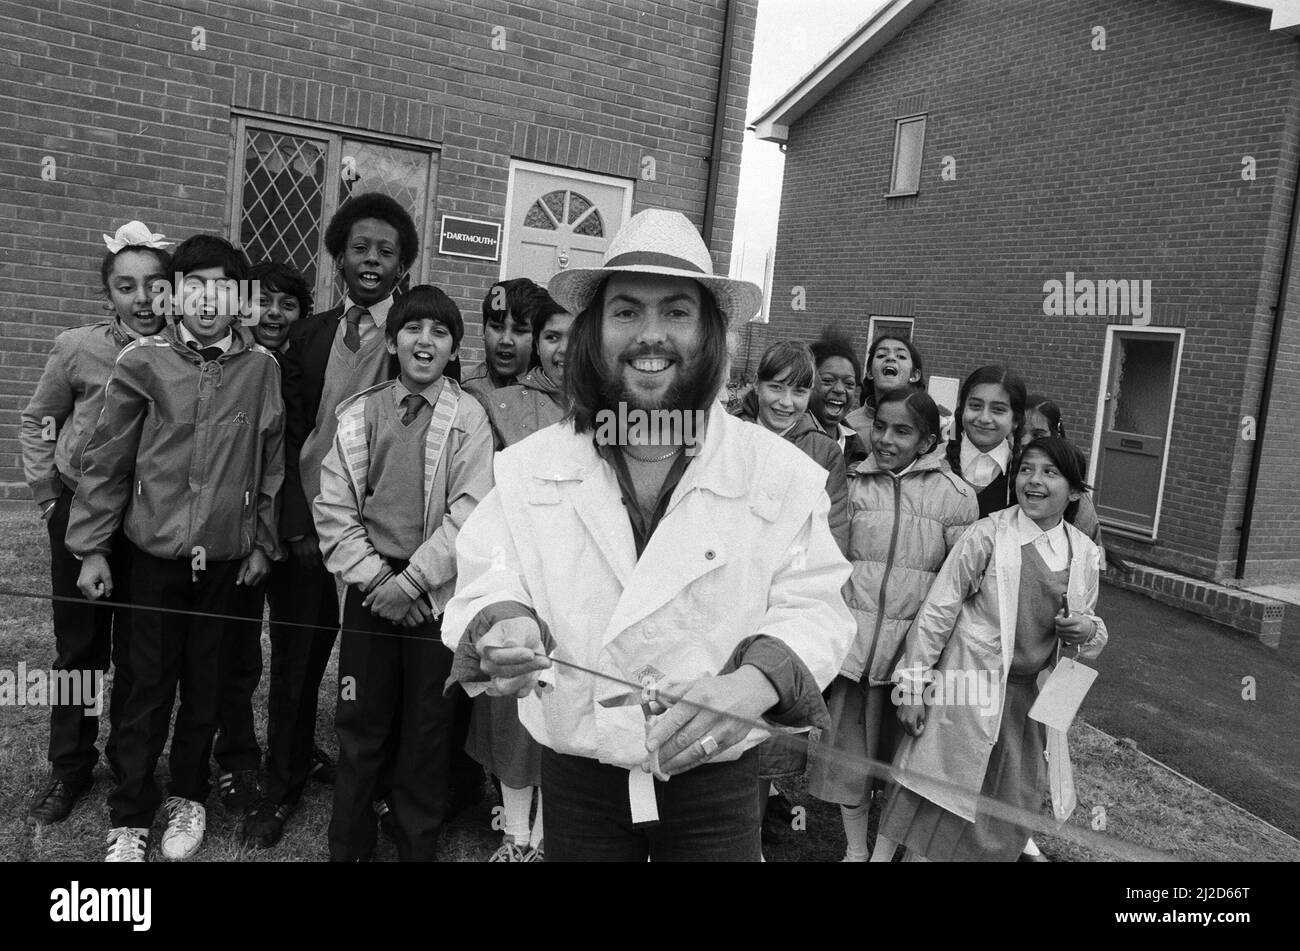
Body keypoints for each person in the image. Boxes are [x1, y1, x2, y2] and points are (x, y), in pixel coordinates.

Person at [442, 209, 855, 862]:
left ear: (710, 331)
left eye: (676, 313)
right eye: (627, 311)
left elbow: (817, 601)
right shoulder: (533, 464)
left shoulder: (776, 472)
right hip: (579, 772)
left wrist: (753, 683)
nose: (650, 335)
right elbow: (492, 568)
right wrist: (507, 622)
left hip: (716, 781)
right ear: (596, 331)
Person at [67, 234, 284, 862]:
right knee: (146, 688)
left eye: (223, 287)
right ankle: (131, 813)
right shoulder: (143, 362)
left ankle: (187, 797)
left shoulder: (260, 369)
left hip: (222, 564)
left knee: (206, 686)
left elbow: (271, 463)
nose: (207, 299)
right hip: (154, 560)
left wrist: (262, 541)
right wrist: (91, 548)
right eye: (193, 285)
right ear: (172, 293)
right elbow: (107, 459)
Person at [314, 285, 494, 862]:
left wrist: (414, 584)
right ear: (393, 341)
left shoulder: (469, 418)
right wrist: (378, 580)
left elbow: (470, 510)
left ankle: (417, 842)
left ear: (452, 350)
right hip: (371, 588)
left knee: (427, 724)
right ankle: (350, 842)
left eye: (440, 332)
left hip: (434, 592)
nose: (425, 340)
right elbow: (334, 508)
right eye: (413, 328)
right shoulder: (360, 413)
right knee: (360, 716)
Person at [879, 436, 1108, 862]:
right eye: (1026, 469)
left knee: (1008, 805)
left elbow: (1090, 632)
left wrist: (1085, 628)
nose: (1033, 481)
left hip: (1028, 705)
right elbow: (937, 614)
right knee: (940, 803)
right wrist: (912, 688)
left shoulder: (1084, 553)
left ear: (1075, 491)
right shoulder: (987, 536)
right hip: (967, 690)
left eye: (1049, 472)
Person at [19, 221, 172, 826]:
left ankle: (129, 760)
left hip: (148, 524)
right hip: (79, 512)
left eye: (154, 285)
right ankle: (69, 765)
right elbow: (39, 421)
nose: (142, 299)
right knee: (79, 648)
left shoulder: (183, 353)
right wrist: (49, 501)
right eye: (126, 286)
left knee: (140, 651)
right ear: (107, 294)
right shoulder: (78, 348)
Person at [807, 388, 978, 861]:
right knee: (850, 767)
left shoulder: (957, 499)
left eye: (902, 431)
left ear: (927, 441)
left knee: (900, 772)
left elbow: (960, 590)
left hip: (910, 664)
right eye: (879, 426)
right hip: (853, 657)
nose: (885, 439)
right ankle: (856, 852)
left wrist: (925, 665)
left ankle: (882, 856)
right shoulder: (852, 486)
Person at [227, 260, 336, 848]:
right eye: (261, 301)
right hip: (235, 536)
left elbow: (305, 441)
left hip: (299, 534)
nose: (272, 314)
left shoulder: (312, 356)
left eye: (286, 304)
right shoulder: (229, 359)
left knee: (301, 655)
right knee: (236, 654)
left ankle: (290, 758)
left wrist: (300, 530)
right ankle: (239, 758)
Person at [468, 286, 573, 862]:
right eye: (552, 337)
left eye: (572, 337)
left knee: (568, 700)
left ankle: (552, 832)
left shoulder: (612, 406)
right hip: (520, 574)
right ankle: (515, 831)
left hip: (583, 578)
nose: (562, 349)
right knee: (513, 698)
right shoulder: (508, 401)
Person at [734, 340, 848, 553]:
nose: (786, 402)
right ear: (757, 384)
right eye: (776, 388)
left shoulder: (825, 452)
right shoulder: (729, 436)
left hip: (790, 569)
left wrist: (795, 575)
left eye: (799, 392)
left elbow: (831, 532)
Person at [945, 365, 1028, 517]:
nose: (984, 418)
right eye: (975, 406)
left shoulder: (1027, 475)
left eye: (998, 410)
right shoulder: (932, 463)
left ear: (1015, 420)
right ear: (962, 409)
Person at [843, 334, 926, 448]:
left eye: (901, 356)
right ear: (870, 373)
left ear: (914, 375)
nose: (891, 358)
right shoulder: (848, 426)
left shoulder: (932, 422)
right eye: (881, 355)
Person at [462, 278, 538, 399]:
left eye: (519, 331)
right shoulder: (460, 386)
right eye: (497, 327)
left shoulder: (554, 395)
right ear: (483, 330)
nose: (506, 340)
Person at [809, 327, 868, 464]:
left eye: (849, 384)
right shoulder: (793, 439)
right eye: (828, 380)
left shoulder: (857, 448)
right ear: (808, 383)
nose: (840, 389)